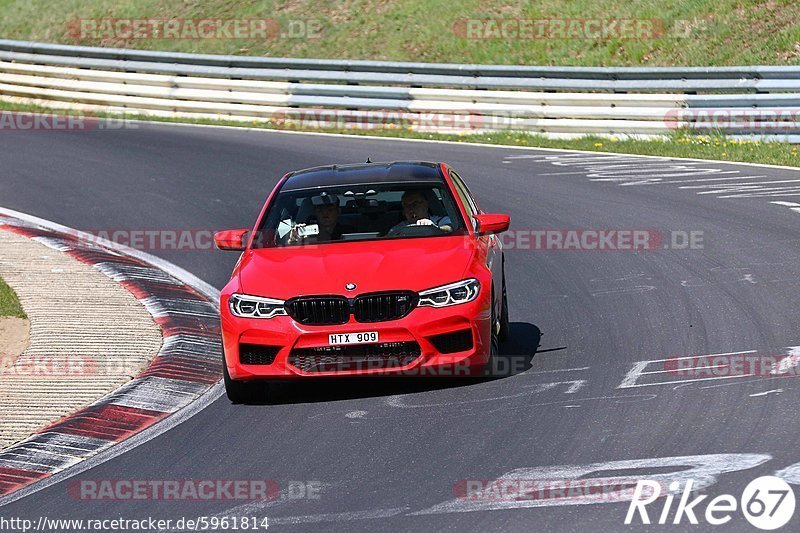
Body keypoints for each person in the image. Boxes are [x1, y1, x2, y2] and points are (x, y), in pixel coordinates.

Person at [286, 195, 354, 245]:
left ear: (338, 211)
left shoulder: (349, 232)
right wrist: (293, 243)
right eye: (320, 210)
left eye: (330, 209)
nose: (325, 213)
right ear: (315, 212)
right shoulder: (306, 233)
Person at [387, 190, 453, 235]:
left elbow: (450, 228)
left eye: (415, 204)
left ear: (426, 205)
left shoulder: (440, 221)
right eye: (406, 205)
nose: (411, 208)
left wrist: (435, 228)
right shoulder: (398, 228)